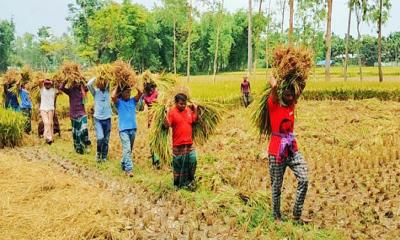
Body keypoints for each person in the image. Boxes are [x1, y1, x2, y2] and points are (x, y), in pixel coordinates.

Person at [267, 76, 308, 224]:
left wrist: (298, 76)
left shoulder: (292, 105)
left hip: (291, 148)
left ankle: (296, 215)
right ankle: (276, 216)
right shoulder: (274, 105)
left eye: (292, 93)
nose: (291, 96)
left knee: (304, 178)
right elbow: (273, 91)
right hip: (276, 151)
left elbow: (301, 87)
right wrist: (274, 85)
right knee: (276, 186)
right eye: (288, 93)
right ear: (282, 92)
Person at [164, 93, 198, 190]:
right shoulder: (171, 112)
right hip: (178, 144)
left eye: (184, 104)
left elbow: (194, 120)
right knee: (178, 165)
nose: (183, 106)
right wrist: (165, 115)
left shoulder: (188, 110)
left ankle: (190, 180)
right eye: (181, 104)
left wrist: (195, 109)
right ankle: (177, 184)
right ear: (176, 103)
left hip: (189, 143)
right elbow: (167, 125)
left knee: (192, 160)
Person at [111, 85, 143, 177]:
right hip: (123, 130)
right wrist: (117, 86)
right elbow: (113, 96)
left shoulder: (133, 101)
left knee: (129, 150)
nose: (128, 94)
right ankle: (129, 169)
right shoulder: (119, 103)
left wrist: (135, 84)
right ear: (122, 93)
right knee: (127, 149)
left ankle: (123, 163)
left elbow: (140, 93)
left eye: (129, 92)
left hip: (133, 129)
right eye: (126, 92)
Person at [60, 80, 91, 154]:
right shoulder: (70, 91)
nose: (76, 84)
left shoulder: (83, 90)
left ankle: (86, 145)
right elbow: (61, 87)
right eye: (74, 82)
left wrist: (82, 81)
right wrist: (67, 79)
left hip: (82, 113)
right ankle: (78, 148)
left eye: (77, 82)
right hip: (73, 114)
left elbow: (88, 86)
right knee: (76, 132)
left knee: (84, 130)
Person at [87, 78, 112, 162]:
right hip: (98, 119)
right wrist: (97, 76)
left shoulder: (108, 91)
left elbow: (110, 80)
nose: (103, 85)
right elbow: (89, 84)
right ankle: (98, 153)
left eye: (104, 83)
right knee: (100, 138)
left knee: (106, 139)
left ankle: (104, 156)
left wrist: (106, 76)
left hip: (107, 119)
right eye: (101, 83)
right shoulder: (95, 92)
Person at [143, 82, 160, 167]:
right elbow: (148, 102)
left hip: (158, 119)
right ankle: (155, 159)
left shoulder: (158, 94)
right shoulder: (146, 96)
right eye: (149, 90)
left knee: (158, 139)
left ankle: (158, 158)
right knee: (152, 140)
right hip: (151, 120)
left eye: (152, 89)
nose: (151, 91)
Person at [40, 79, 56, 144]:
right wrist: (44, 80)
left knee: (51, 123)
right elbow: (39, 81)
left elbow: (58, 86)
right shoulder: (42, 89)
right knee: (46, 123)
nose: (47, 85)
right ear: (44, 84)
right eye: (46, 84)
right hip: (43, 109)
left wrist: (53, 81)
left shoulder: (53, 90)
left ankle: (51, 137)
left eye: (49, 84)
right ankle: (47, 137)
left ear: (51, 84)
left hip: (51, 108)